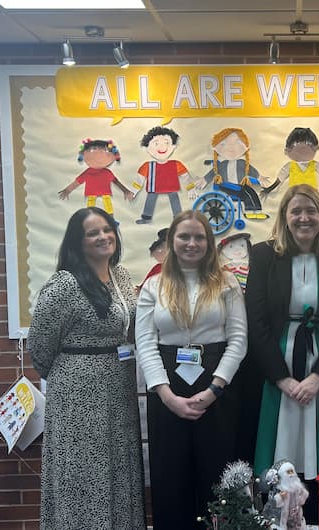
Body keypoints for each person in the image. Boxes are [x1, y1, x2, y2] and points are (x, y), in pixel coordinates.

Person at [246, 184, 319, 518]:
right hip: (277, 365)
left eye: (311, 211)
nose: (303, 218)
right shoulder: (264, 255)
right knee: (279, 448)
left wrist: (317, 377)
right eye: (296, 211)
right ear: (285, 216)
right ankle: (279, 519)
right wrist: (282, 379)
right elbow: (256, 320)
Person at [28, 207, 145, 529]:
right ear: (77, 242)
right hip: (78, 396)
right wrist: (76, 373)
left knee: (118, 467)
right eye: (93, 233)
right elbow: (39, 348)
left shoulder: (121, 275)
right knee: (83, 472)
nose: (103, 237)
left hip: (119, 387)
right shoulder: (64, 284)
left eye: (107, 229)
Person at [135, 210, 248, 530]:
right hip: (167, 390)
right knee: (171, 480)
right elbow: (145, 344)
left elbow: (238, 340)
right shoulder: (153, 286)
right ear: (171, 241)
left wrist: (214, 390)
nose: (191, 243)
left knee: (218, 477)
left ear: (209, 243)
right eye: (184, 236)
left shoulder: (227, 283)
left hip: (217, 387)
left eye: (199, 237)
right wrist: (167, 396)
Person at [132, 126, 197, 225]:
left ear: (173, 146)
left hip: (171, 188)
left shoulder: (176, 164)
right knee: (150, 199)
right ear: (147, 148)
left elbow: (186, 177)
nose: (162, 147)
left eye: (167, 143)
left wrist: (191, 188)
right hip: (154, 189)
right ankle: (146, 217)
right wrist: (133, 191)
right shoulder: (148, 166)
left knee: (174, 200)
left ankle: (178, 218)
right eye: (156, 143)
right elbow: (139, 179)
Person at [58, 139, 134, 216]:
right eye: (93, 149)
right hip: (100, 192)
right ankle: (103, 215)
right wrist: (67, 190)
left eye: (105, 150)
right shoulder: (101, 172)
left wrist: (126, 191)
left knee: (99, 201)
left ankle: (104, 215)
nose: (99, 153)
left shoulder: (101, 172)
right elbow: (116, 182)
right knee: (104, 201)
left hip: (96, 192)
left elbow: (116, 181)